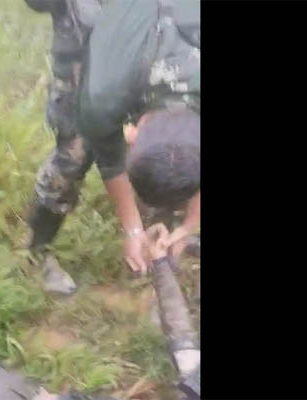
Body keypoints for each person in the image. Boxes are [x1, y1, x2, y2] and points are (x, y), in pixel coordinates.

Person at [24, 0, 200, 292]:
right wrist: (131, 228)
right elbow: (110, 160)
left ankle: (161, 238)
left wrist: (190, 223)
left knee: (173, 164)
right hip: (92, 18)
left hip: (169, 20)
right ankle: (36, 252)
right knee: (75, 152)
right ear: (132, 133)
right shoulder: (104, 93)